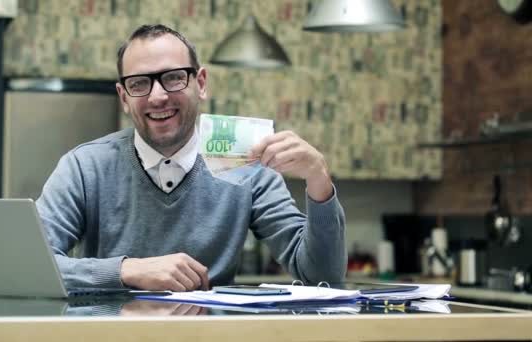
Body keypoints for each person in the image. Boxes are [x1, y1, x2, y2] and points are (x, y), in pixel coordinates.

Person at [36, 24, 346, 292]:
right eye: (140, 83)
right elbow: (31, 266)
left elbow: (322, 277)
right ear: (124, 98)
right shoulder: (84, 168)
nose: (157, 96)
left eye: (173, 77)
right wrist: (127, 270)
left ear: (200, 83)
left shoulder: (246, 162)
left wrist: (318, 178)